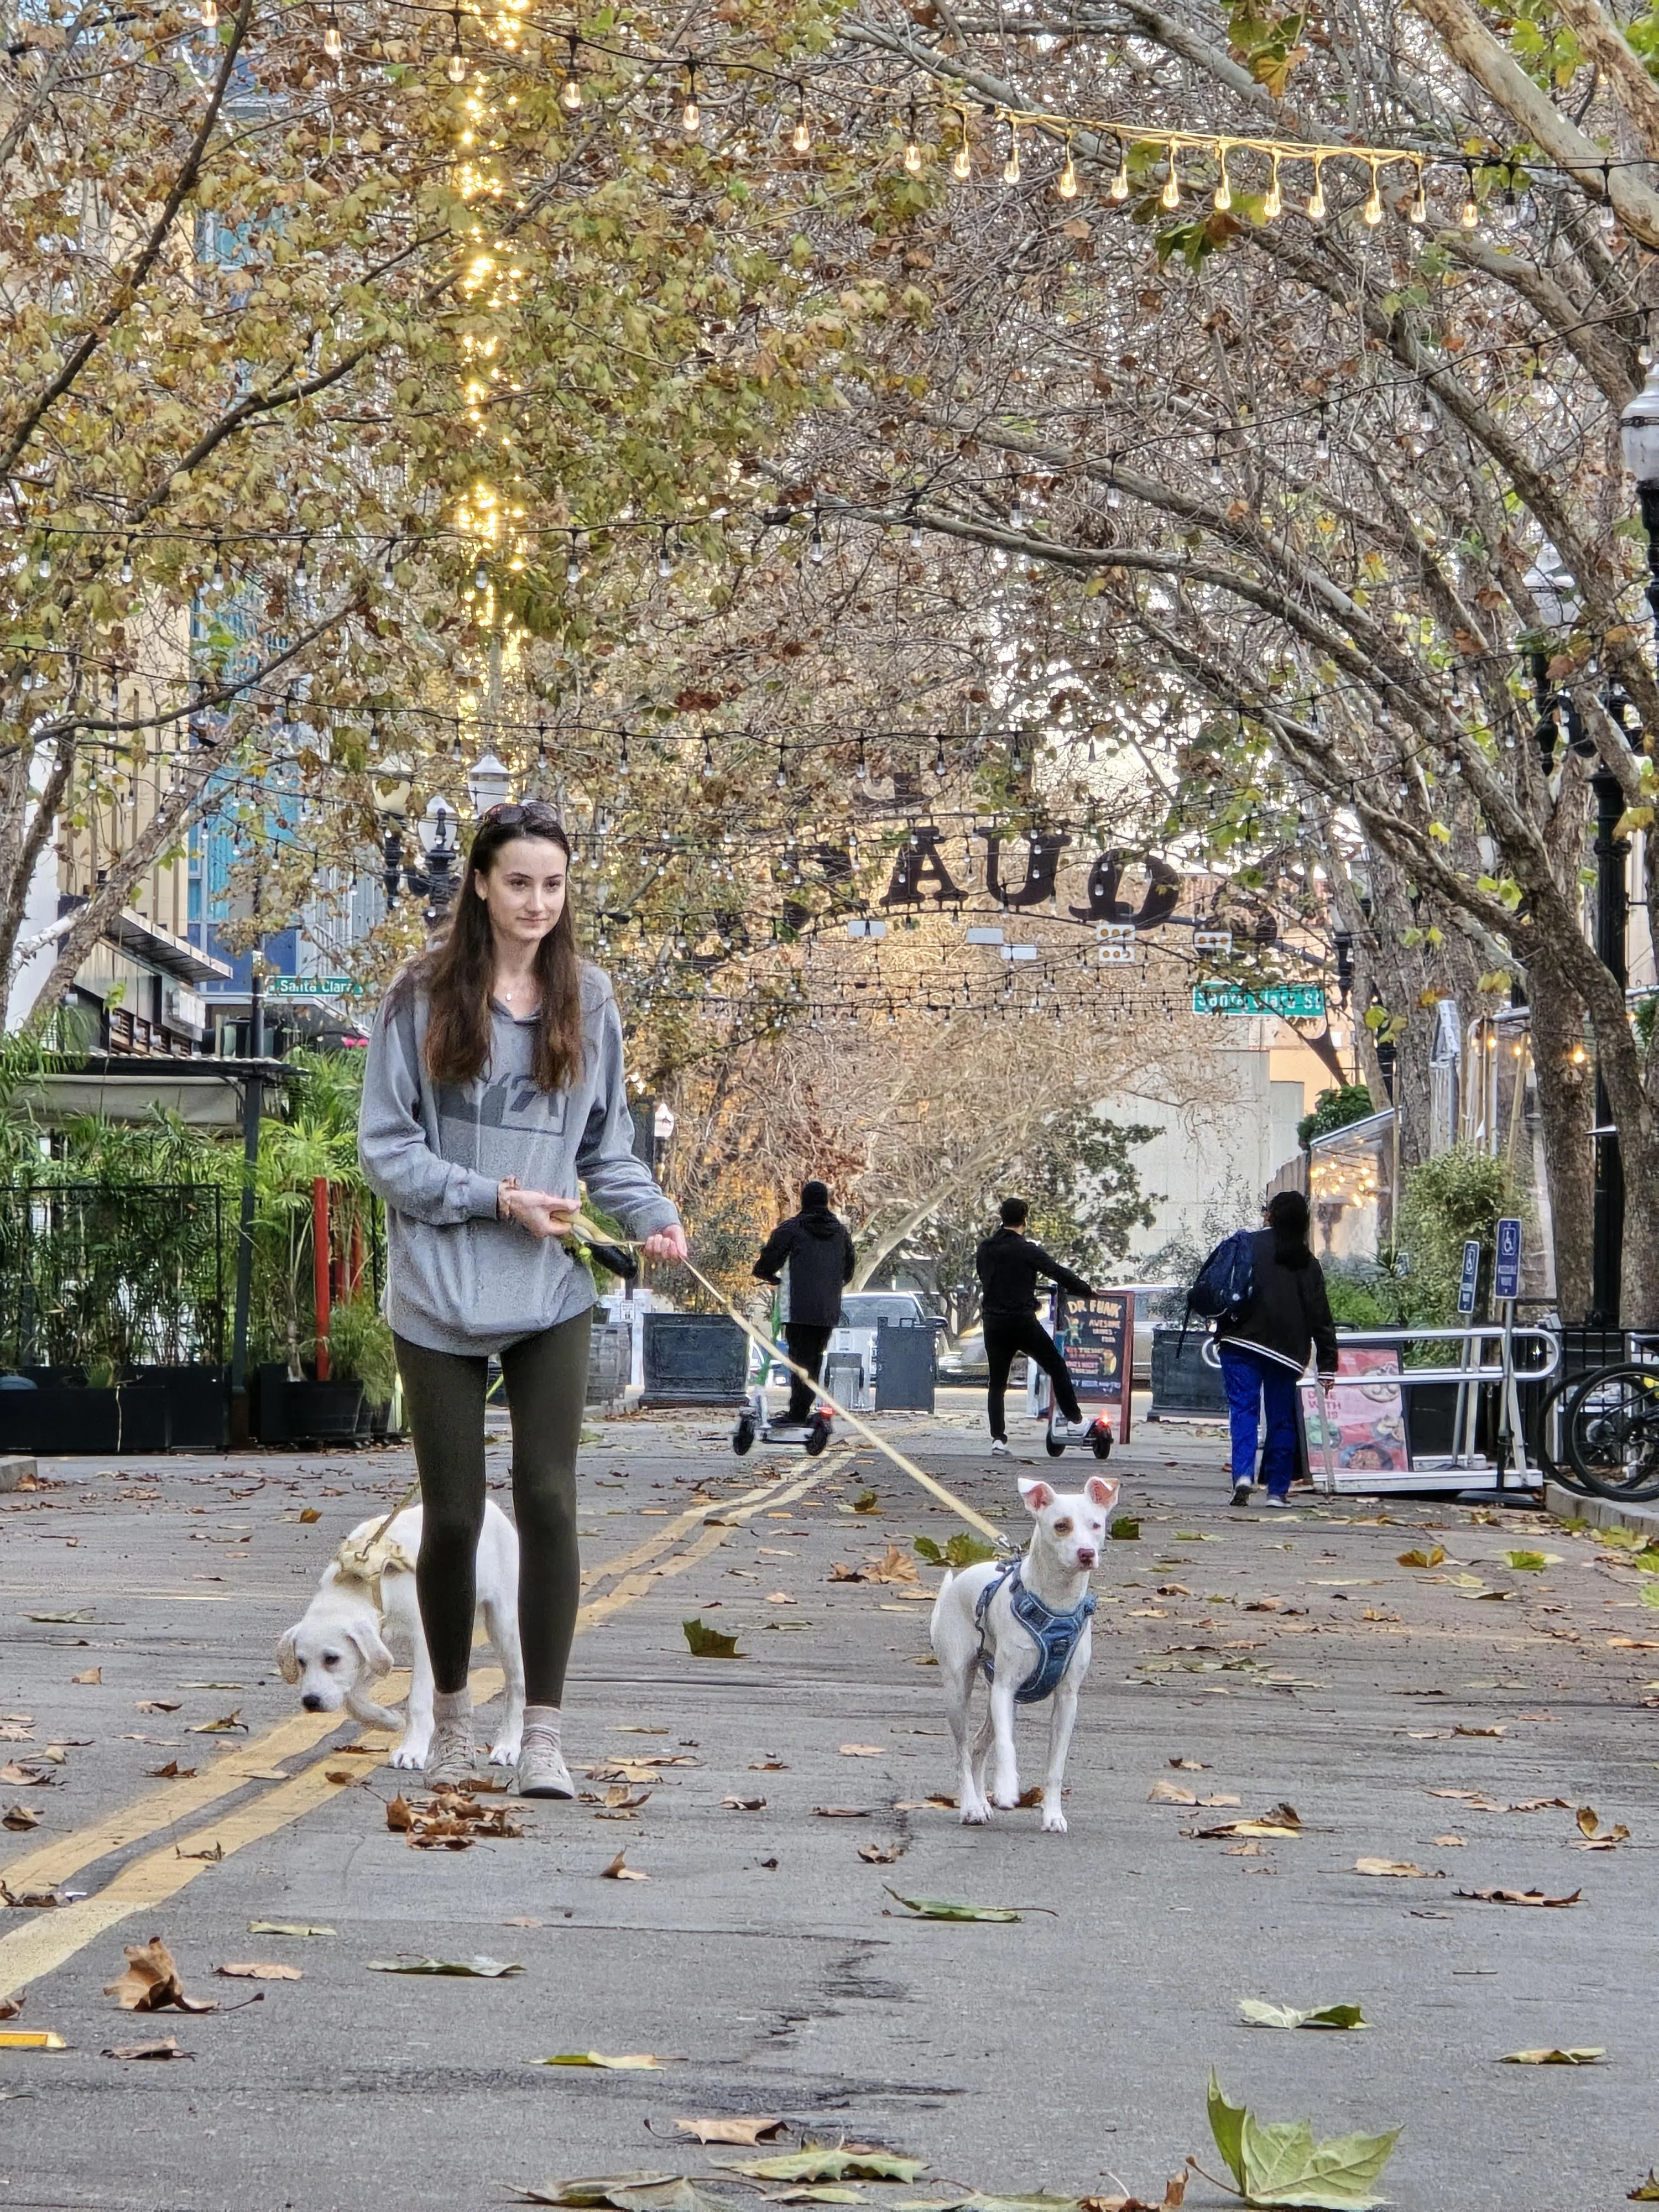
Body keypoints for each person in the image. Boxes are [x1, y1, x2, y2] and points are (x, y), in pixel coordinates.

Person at [358, 800, 687, 1794]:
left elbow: (606, 1151)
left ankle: (542, 1733)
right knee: (453, 1520)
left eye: (553, 884)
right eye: (518, 883)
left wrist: (651, 1217)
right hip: (440, 1291)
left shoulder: (589, 996)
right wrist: (494, 1198)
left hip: (551, 1290)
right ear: (480, 885)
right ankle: (451, 1721)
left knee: (548, 1499)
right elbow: (386, 1151)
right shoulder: (419, 996)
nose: (537, 903)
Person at [1215, 1188, 1338, 1509]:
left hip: (1240, 1341)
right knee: (1282, 1417)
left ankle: (1243, 1474)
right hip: (1286, 1351)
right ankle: (1277, 1492)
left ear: (1270, 1215)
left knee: (1243, 1409)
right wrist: (1328, 1363)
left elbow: (1221, 1287)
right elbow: (1320, 1314)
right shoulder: (1307, 1262)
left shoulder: (1247, 1245)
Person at [976, 1196, 1097, 1457]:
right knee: (1055, 1365)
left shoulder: (985, 1248)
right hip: (1021, 1321)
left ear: (1001, 1216)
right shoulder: (1027, 1249)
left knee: (997, 1383)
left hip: (993, 1322)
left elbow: (985, 1277)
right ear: (1025, 1219)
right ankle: (1076, 1421)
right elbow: (1058, 1272)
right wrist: (1086, 1290)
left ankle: (998, 1439)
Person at [753, 1180, 857, 1425]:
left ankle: (797, 1414)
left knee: (799, 1360)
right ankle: (802, 1410)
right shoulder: (841, 1233)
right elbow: (849, 1270)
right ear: (826, 1201)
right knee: (814, 1359)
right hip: (827, 1310)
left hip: (798, 1308)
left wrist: (770, 1277)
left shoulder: (793, 1229)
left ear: (803, 1200)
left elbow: (768, 1263)